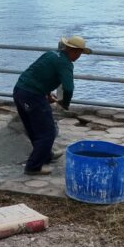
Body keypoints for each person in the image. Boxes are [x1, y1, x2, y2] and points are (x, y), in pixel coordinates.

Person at [13, 35, 92, 175]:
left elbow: (39, 73)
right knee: (48, 132)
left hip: (19, 90)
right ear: (72, 50)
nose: (79, 56)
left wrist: (48, 95)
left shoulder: (51, 54)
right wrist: (65, 104)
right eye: (79, 53)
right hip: (33, 96)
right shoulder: (66, 63)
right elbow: (68, 88)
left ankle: (46, 155)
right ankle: (33, 167)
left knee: (34, 129)